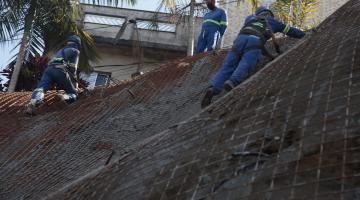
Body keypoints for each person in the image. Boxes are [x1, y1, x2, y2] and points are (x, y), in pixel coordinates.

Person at [201, 6, 305, 108]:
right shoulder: (273, 22)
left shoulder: (250, 19)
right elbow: (290, 30)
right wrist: (304, 35)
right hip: (254, 41)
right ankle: (233, 82)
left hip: (238, 41)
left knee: (227, 67)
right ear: (269, 14)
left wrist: (268, 54)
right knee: (246, 63)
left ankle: (213, 88)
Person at [25, 35, 81, 114]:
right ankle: (64, 97)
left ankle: (33, 102)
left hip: (49, 70)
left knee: (41, 89)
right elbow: (73, 69)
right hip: (60, 71)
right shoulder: (75, 51)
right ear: (78, 44)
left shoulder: (61, 50)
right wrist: (75, 85)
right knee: (73, 93)